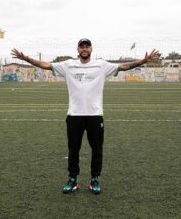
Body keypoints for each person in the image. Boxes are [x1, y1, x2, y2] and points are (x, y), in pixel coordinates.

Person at [11, 38, 160, 195]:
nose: (84, 49)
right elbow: (45, 65)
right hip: (74, 115)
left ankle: (94, 179)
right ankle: (73, 180)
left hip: (95, 115)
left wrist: (144, 60)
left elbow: (123, 66)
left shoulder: (101, 65)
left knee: (97, 149)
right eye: (81, 46)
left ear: (91, 49)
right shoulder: (68, 65)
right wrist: (25, 58)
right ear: (77, 49)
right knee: (73, 149)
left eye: (87, 46)